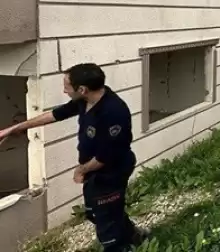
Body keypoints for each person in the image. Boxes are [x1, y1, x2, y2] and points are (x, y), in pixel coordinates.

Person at [0, 63, 147, 252]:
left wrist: (81, 170)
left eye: (66, 86)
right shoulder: (85, 100)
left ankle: (120, 246)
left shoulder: (113, 112)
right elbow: (56, 114)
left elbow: (106, 156)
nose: (64, 90)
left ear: (82, 89)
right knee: (95, 213)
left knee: (106, 224)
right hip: (94, 171)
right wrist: (14, 129)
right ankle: (135, 235)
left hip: (111, 172)